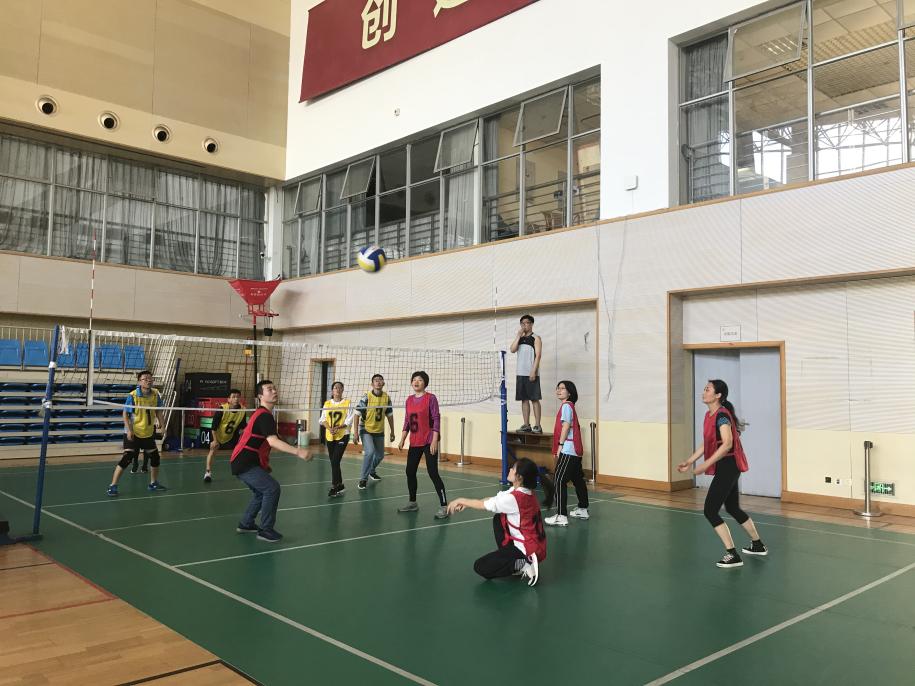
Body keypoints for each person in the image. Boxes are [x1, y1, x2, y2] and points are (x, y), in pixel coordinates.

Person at [678, 379, 768, 568]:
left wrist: (705, 465)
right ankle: (758, 545)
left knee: (710, 510)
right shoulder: (709, 415)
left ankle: (732, 555)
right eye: (704, 389)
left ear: (718, 395)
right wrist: (690, 461)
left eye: (708, 389)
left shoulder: (722, 416)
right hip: (726, 466)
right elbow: (708, 443)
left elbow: (727, 443)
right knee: (732, 508)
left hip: (729, 465)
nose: (704, 392)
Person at [231, 379, 313, 542]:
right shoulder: (264, 416)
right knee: (271, 488)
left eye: (275, 388)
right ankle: (265, 530)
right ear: (260, 396)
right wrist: (299, 451)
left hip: (244, 461)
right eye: (269, 389)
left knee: (260, 493)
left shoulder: (265, 415)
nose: (274, 391)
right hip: (244, 462)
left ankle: (246, 523)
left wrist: (263, 463)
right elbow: (272, 441)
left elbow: (266, 441)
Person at [447, 457, 545, 586]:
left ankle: (525, 563)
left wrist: (460, 500)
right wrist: (467, 504)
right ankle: (515, 562)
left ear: (519, 477)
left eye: (513, 468)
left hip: (527, 549)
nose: (510, 469)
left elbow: (483, 505)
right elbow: (493, 499)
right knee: (498, 519)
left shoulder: (514, 498)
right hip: (535, 545)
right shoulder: (523, 492)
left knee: (480, 567)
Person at [396, 371, 449, 519]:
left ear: (425, 383)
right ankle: (412, 502)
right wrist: (402, 438)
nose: (416, 382)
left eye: (419, 380)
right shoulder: (409, 400)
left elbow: (436, 418)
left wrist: (434, 440)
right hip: (414, 441)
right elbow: (407, 420)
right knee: (410, 471)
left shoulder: (430, 398)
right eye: (414, 379)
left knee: (433, 473)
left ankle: (444, 506)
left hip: (428, 440)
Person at [107, 370, 167, 496]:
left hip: (147, 432)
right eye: (145, 379)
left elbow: (158, 411)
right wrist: (129, 430)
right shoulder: (133, 395)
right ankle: (113, 486)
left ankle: (153, 483)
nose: (148, 380)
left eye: (150, 378)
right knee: (127, 458)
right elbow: (125, 414)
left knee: (155, 457)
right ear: (139, 382)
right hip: (134, 431)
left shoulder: (155, 394)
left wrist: (163, 426)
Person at [544, 380, 589, 526]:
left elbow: (566, 426)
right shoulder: (570, 406)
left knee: (558, 480)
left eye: (562, 388)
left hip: (569, 449)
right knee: (577, 479)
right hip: (575, 450)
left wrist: (560, 445)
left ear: (569, 392)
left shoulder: (566, 406)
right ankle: (582, 509)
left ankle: (561, 515)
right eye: (557, 388)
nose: (559, 390)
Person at [353, 373, 395, 490]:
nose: (378, 382)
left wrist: (392, 431)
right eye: (376, 380)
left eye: (380, 380)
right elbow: (356, 414)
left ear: (383, 383)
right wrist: (355, 433)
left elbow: (390, 415)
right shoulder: (366, 397)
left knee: (380, 455)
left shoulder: (386, 398)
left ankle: (371, 470)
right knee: (370, 452)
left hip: (379, 430)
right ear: (372, 384)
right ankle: (363, 479)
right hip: (366, 429)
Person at [319, 381, 353, 498]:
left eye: (339, 387)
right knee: (334, 462)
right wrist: (329, 428)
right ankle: (340, 485)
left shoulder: (347, 403)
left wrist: (338, 427)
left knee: (335, 461)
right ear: (332, 391)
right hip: (330, 435)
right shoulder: (327, 403)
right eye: (335, 388)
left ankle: (334, 486)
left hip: (343, 434)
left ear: (342, 390)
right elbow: (322, 419)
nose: (337, 389)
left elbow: (349, 420)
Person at [203, 388, 245, 482]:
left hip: (231, 436)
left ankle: (242, 471)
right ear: (228, 399)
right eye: (233, 397)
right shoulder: (222, 409)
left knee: (242, 451)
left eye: (238, 397)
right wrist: (215, 441)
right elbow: (213, 427)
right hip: (217, 434)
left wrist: (242, 434)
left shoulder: (243, 410)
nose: (236, 399)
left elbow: (242, 426)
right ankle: (208, 473)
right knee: (213, 450)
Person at [509, 314, 542, 432]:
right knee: (524, 400)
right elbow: (512, 349)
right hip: (520, 373)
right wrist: (518, 335)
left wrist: (533, 371)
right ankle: (526, 424)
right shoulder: (520, 338)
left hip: (531, 373)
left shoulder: (536, 338)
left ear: (531, 324)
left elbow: (538, 356)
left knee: (534, 399)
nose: (525, 325)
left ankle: (537, 425)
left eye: (527, 323)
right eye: (522, 323)